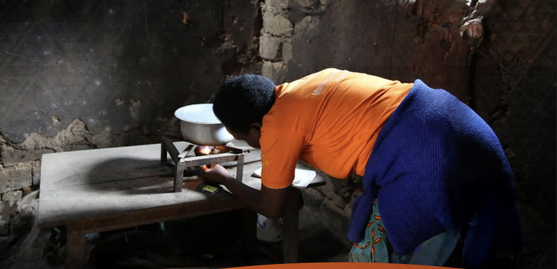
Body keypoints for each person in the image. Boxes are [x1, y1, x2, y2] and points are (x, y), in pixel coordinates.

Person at [201, 68, 521, 267]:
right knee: (470, 221)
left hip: (425, 153)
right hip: (457, 122)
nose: (248, 143)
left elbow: (271, 208)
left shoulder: (276, 126)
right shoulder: (303, 87)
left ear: (257, 127)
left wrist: (224, 177)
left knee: (374, 252)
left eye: (242, 137)